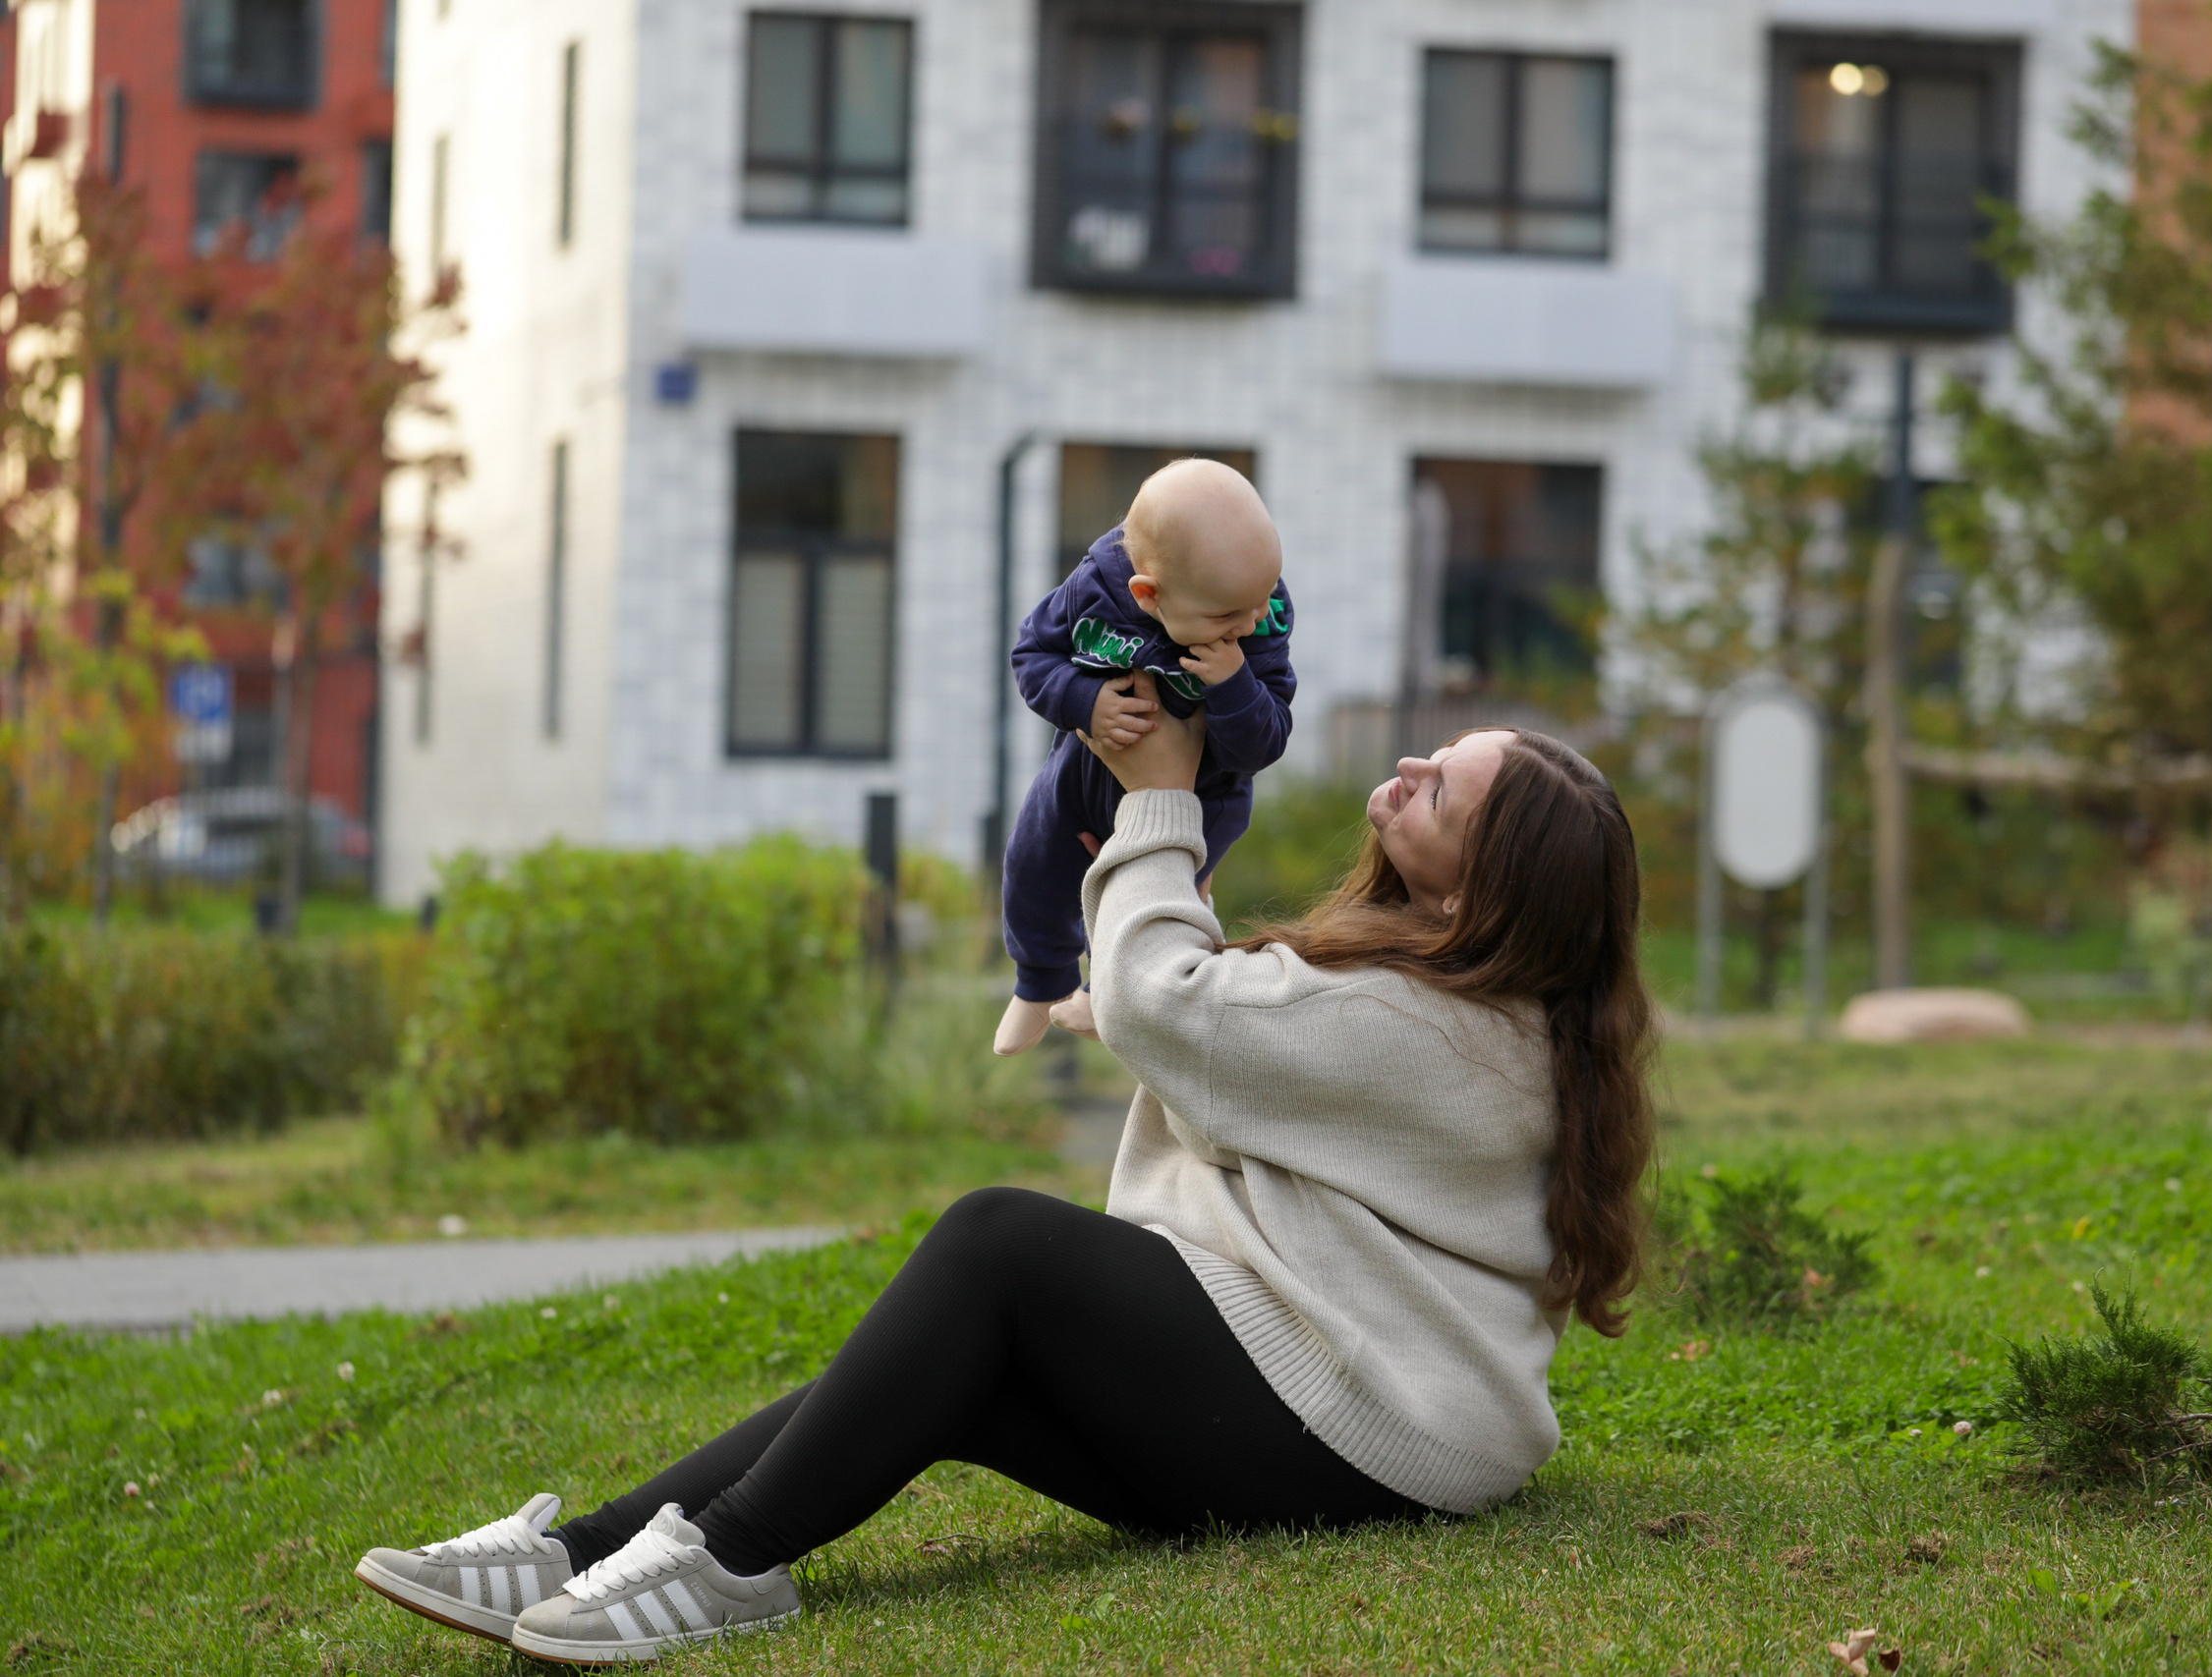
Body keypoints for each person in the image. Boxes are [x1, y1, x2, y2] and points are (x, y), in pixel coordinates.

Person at [354, 703, 1655, 1665]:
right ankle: (584, 1548)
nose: (1410, 769)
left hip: (1368, 1433)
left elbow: (1172, 1002)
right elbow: (1219, 1020)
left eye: (1445, 792)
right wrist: (1157, 995)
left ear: (1488, 888)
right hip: (1349, 1425)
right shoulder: (1475, 1010)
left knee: (996, 1243)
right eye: (1435, 756)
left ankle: (725, 1561)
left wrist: (1161, 796)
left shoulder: (1434, 1028)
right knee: (953, 1375)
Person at [992, 457, 1296, 1054]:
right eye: (1228, 616)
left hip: (1202, 792)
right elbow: (1032, 655)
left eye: (1261, 601)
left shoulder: (1256, 613)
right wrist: (1083, 699)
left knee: (1166, 904)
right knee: (1033, 862)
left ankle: (1116, 998)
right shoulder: (1095, 586)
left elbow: (1267, 740)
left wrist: (1236, 683)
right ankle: (1040, 983)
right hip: (1088, 770)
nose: (1251, 621)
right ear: (1148, 593)